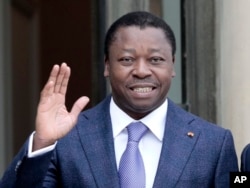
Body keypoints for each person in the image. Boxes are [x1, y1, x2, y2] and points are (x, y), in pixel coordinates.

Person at [0, 11, 238, 188]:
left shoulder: (214, 144)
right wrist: (42, 143)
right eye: (126, 60)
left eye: (155, 60)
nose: (142, 71)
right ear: (107, 66)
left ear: (172, 65)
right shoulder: (66, 139)